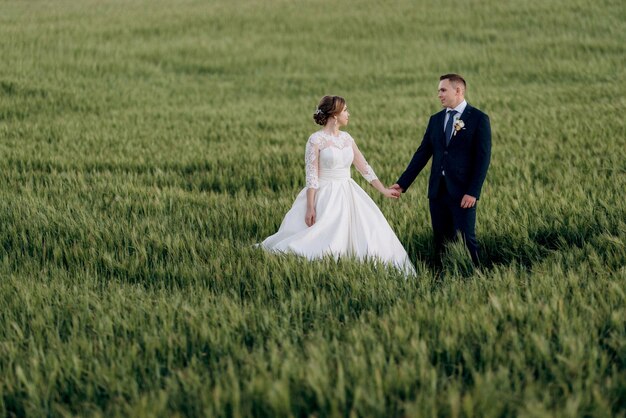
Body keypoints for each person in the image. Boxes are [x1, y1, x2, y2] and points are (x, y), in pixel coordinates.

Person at [260, 95, 415, 275]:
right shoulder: (315, 140)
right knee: (323, 238)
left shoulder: (347, 138)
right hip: (325, 194)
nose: (348, 114)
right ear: (334, 115)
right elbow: (311, 176)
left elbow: (364, 167)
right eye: (345, 110)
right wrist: (310, 207)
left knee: (370, 232)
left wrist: (383, 190)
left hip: (348, 191)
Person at [392, 74, 491, 266]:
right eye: (438, 91)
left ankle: (476, 276)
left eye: (443, 90)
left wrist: (473, 192)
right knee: (440, 240)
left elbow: (483, 159)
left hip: (463, 193)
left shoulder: (479, 119)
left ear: (458, 91)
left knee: (466, 239)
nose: (439, 95)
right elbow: (422, 154)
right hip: (437, 191)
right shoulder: (436, 120)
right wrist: (402, 184)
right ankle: (443, 277)